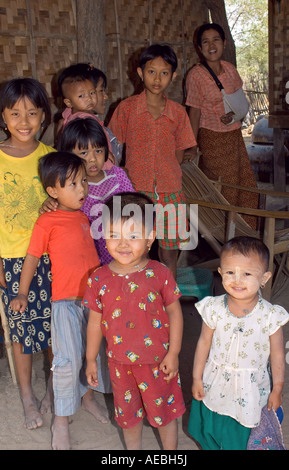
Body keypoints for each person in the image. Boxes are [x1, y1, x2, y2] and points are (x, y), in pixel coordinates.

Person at [10, 152, 110, 450]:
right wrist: (23, 292)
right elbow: (31, 258)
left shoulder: (83, 216)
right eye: (73, 184)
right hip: (65, 303)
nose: (82, 189)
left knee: (93, 354)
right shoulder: (47, 221)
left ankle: (88, 398)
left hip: (93, 303)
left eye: (82, 183)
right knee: (66, 361)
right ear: (52, 191)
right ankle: (61, 422)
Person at [83, 192, 186, 450]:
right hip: (119, 365)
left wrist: (173, 353)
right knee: (128, 418)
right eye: (114, 234)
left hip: (158, 362)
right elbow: (95, 322)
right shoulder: (98, 279)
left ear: (150, 238)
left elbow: (175, 314)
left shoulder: (160, 273)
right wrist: (90, 359)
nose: (123, 244)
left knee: (164, 413)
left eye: (133, 235)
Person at [188, 236, 289, 450]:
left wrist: (277, 388)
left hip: (249, 390)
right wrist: (197, 378)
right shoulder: (213, 308)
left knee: (241, 437)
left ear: (264, 278)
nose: (237, 280)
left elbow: (278, 355)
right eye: (231, 272)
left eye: (247, 273)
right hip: (214, 382)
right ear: (221, 272)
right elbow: (203, 343)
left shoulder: (270, 316)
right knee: (210, 428)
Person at [108, 44, 196, 278]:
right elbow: (113, 148)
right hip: (135, 190)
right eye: (151, 71)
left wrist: (167, 172)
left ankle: (169, 299)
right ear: (140, 73)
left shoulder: (178, 113)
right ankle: (135, 300)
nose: (157, 78)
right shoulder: (126, 109)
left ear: (173, 76)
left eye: (164, 73)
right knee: (134, 249)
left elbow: (180, 152)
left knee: (169, 252)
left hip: (171, 192)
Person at [0, 77, 55, 430]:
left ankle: (53, 389)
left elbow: (69, 203)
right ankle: (26, 394)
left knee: (54, 329)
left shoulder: (50, 158)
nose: (24, 121)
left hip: (50, 259)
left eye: (32, 113)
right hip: (10, 260)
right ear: (3, 116)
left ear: (43, 116)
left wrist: (56, 202)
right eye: (15, 113)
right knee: (21, 332)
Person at [185, 23, 258, 228]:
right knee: (224, 189)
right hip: (212, 139)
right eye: (205, 41)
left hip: (234, 137)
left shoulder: (230, 69)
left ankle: (247, 234)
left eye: (215, 39)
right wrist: (192, 145)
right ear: (200, 48)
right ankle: (225, 236)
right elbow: (194, 112)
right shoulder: (196, 76)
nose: (211, 45)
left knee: (245, 185)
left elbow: (240, 102)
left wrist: (235, 116)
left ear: (224, 43)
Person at [43, 117, 134, 264]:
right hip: (90, 262)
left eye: (98, 151)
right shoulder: (68, 190)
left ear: (106, 150)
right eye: (84, 153)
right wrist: (52, 201)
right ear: (69, 156)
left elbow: (136, 209)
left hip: (125, 256)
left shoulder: (118, 176)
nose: (92, 159)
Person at [56, 63, 115, 167]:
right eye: (81, 96)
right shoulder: (84, 121)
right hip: (94, 170)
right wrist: (103, 152)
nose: (89, 98)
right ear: (68, 102)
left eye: (92, 93)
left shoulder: (70, 115)